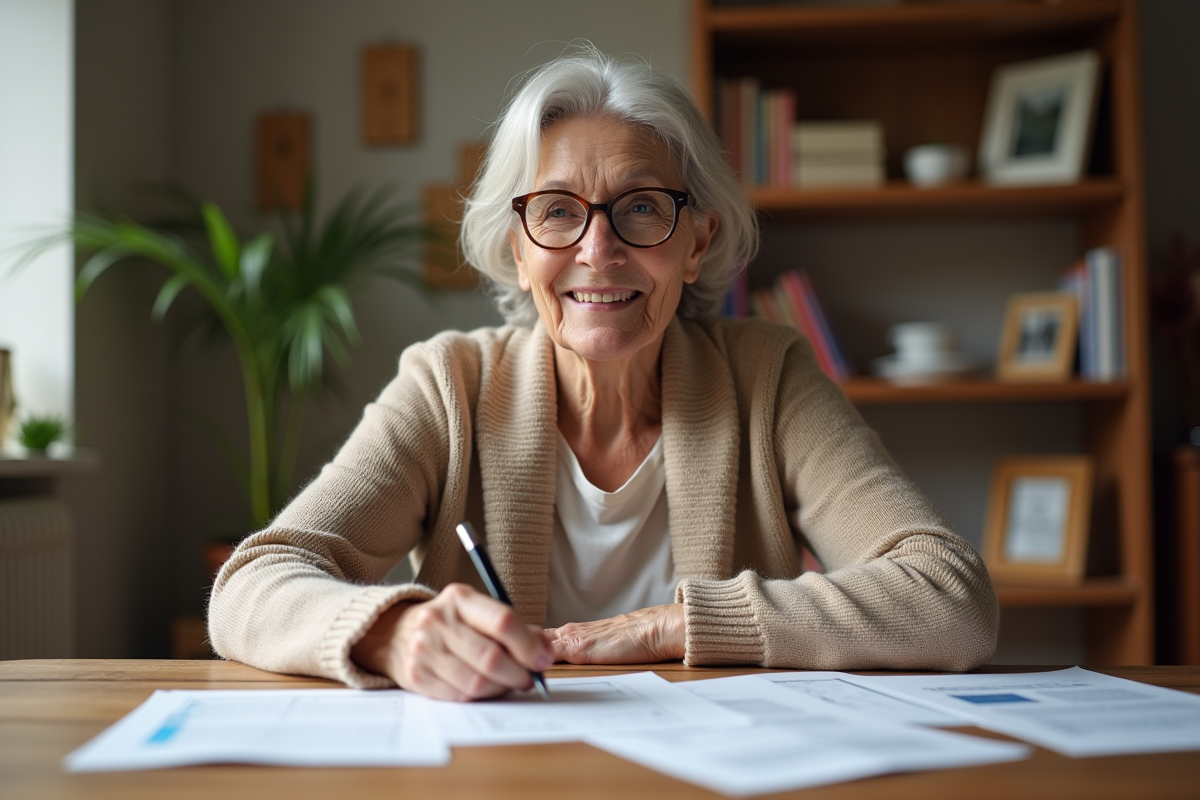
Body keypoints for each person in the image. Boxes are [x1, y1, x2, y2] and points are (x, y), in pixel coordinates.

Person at [208, 46, 998, 701]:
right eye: (556, 210)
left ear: (696, 242)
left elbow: (951, 600)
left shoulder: (770, 379)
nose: (598, 249)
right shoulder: (449, 384)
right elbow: (251, 584)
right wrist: (394, 632)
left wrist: (678, 625)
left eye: (642, 207)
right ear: (518, 252)